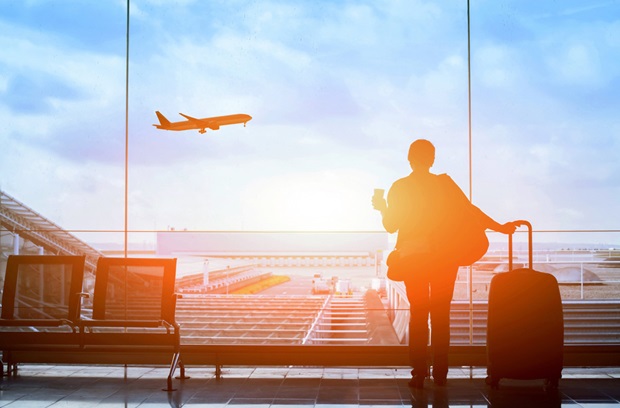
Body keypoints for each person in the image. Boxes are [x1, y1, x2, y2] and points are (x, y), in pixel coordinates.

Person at [372, 139, 516, 388]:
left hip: (414, 259)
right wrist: (500, 228)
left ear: (409, 158)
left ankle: (418, 373)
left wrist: (382, 207)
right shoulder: (444, 185)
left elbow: (390, 225)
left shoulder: (400, 187)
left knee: (418, 315)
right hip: (444, 259)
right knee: (441, 316)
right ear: (432, 159)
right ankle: (440, 373)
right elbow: (471, 211)